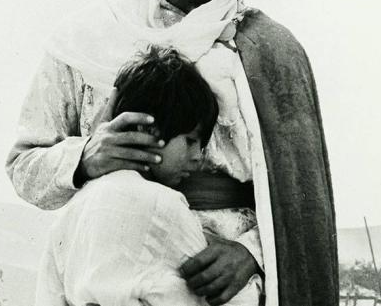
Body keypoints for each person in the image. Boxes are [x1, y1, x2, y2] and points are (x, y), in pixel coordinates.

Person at [7, 0, 338, 306]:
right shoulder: (84, 42)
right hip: (112, 266)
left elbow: (305, 201)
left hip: (228, 289)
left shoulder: (273, 51)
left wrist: (253, 253)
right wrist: (85, 158)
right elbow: (24, 169)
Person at [35, 46, 261, 306]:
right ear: (146, 129)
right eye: (190, 141)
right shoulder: (166, 206)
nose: (197, 157)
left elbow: (50, 289)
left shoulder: (78, 208)